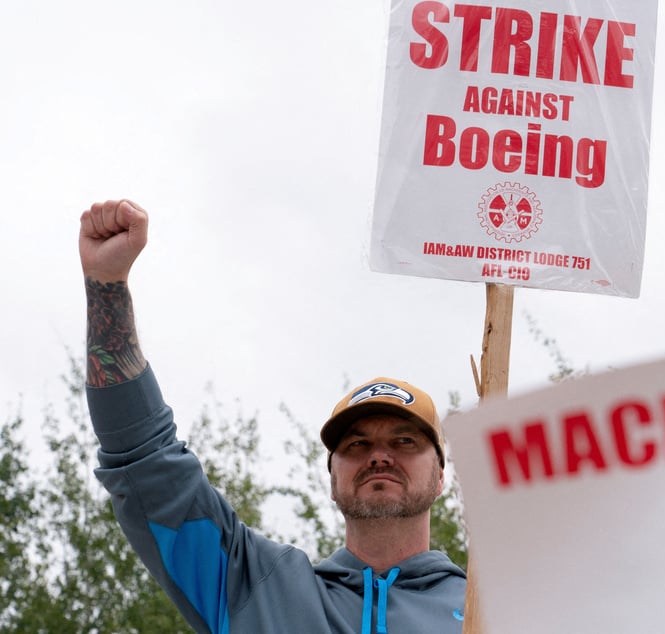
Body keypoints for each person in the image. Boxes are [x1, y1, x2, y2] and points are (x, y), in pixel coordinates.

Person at [79, 199, 467, 633]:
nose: (379, 456)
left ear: (439, 477)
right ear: (332, 478)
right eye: (356, 444)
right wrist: (106, 284)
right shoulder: (253, 588)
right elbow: (146, 461)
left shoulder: (495, 613)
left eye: (404, 442)